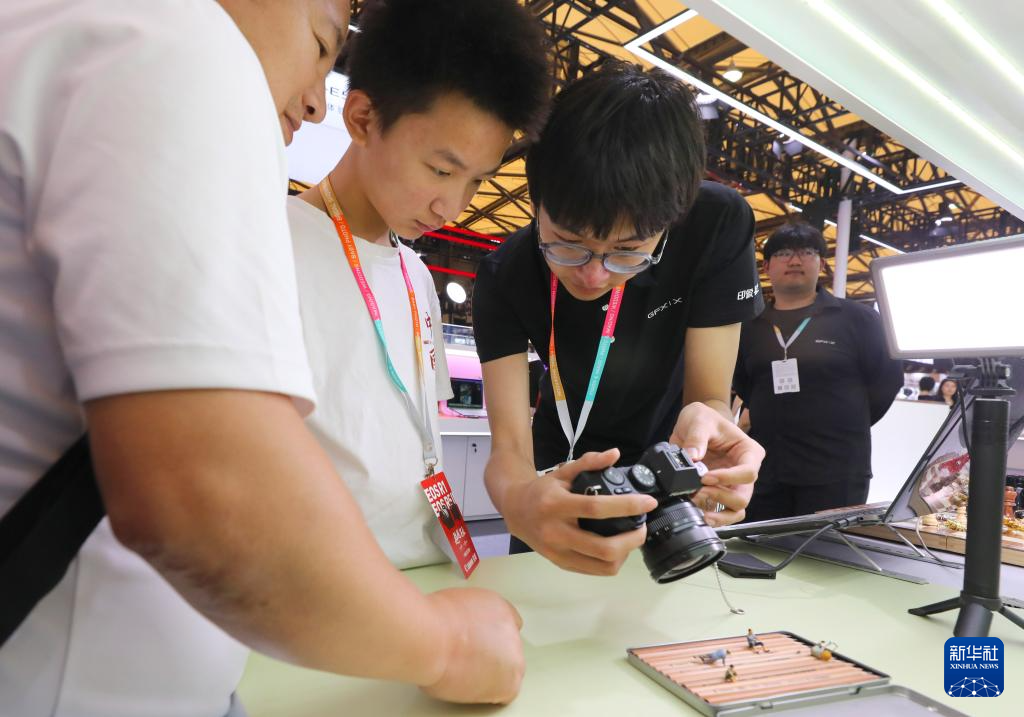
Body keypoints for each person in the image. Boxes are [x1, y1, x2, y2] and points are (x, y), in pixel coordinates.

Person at [0, 2, 524, 715]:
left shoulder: (83, 39)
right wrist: (447, 646)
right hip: (121, 672)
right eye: (320, 43)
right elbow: (202, 483)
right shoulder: (176, 46)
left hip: (227, 639)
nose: (313, 100)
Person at [472, 62, 766, 576]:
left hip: (664, 470)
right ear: (537, 202)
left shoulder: (716, 224)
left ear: (670, 222)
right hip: (557, 473)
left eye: (628, 252)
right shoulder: (505, 274)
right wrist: (519, 503)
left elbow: (708, 399)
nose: (594, 275)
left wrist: (711, 431)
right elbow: (509, 448)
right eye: (567, 244)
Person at [289, 0, 550, 569]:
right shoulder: (272, 243)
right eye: (441, 170)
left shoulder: (417, 276)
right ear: (363, 118)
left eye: (476, 182)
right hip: (322, 581)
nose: (451, 207)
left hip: (428, 568)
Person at [733, 223, 904, 522]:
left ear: (821, 264)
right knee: (756, 544)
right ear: (766, 266)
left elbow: (886, 381)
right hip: (765, 468)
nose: (794, 260)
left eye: (806, 252)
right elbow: (745, 384)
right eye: (783, 253)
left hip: (836, 470)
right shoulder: (749, 326)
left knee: (825, 549)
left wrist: (845, 422)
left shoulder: (858, 318)